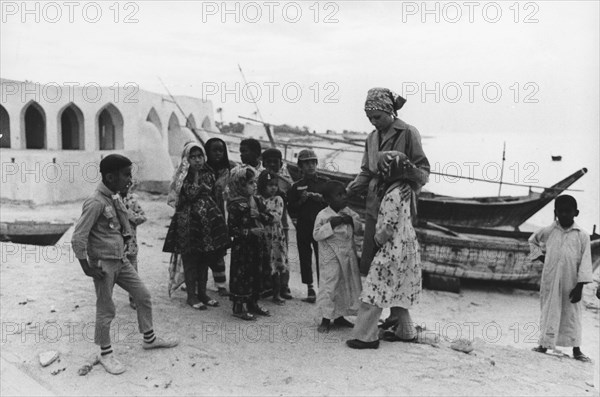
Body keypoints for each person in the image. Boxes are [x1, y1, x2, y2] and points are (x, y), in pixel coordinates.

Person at [71, 154, 178, 375]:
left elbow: (122, 220)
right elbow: (78, 237)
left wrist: (127, 238)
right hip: (103, 265)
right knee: (106, 308)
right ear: (110, 177)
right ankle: (105, 353)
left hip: (120, 260)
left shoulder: (115, 197)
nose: (130, 179)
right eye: (126, 175)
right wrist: (87, 268)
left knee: (143, 295)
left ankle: (149, 338)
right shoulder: (95, 202)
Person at [347, 88, 430, 278]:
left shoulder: (408, 132)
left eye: (377, 117)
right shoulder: (371, 138)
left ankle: (393, 305)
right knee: (371, 258)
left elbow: (424, 172)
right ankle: (371, 304)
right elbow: (367, 172)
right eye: (370, 118)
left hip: (398, 205)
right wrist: (348, 191)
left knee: (394, 259)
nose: (373, 123)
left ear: (389, 111)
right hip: (374, 203)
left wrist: (410, 185)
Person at [347, 154, 424, 350]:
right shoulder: (406, 193)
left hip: (392, 249)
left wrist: (375, 241)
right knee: (399, 290)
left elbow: (387, 229)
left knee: (374, 290)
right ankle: (406, 332)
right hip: (408, 247)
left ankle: (366, 337)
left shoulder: (391, 196)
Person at [163, 142, 230, 311]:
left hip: (206, 222)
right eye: (193, 157)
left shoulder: (208, 173)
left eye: (200, 156)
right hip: (188, 223)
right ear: (187, 159)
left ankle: (202, 293)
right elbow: (191, 194)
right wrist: (198, 183)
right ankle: (191, 296)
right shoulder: (182, 176)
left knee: (205, 258)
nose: (197, 160)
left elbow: (210, 192)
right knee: (191, 259)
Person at [529, 195, 593, 362]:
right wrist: (542, 258)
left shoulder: (582, 236)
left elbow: (586, 262)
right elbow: (532, 241)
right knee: (549, 311)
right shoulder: (549, 231)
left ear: (576, 213)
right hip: (551, 279)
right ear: (555, 213)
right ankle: (544, 345)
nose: (564, 215)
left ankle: (576, 349)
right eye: (560, 212)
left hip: (572, 282)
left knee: (572, 314)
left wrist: (580, 287)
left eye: (568, 212)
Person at [313, 180, 362, 333]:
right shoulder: (323, 215)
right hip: (331, 257)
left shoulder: (348, 212)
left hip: (347, 256)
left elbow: (359, 226)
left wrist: (351, 221)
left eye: (344, 194)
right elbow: (316, 235)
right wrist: (331, 225)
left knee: (345, 285)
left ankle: (340, 315)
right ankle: (326, 318)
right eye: (338, 195)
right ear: (328, 200)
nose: (343, 197)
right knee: (330, 286)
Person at [228, 166, 274, 320]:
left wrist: (259, 215)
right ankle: (238, 307)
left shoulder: (257, 200)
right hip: (242, 248)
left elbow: (270, 218)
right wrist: (249, 232)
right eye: (249, 183)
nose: (254, 185)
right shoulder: (235, 205)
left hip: (258, 245)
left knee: (256, 273)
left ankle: (253, 303)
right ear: (239, 184)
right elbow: (232, 230)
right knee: (242, 275)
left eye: (254, 182)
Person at [287, 149, 329, 303]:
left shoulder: (325, 183)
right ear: (300, 166)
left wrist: (323, 200)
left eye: (313, 162)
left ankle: (323, 290)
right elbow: (291, 208)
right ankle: (310, 289)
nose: (310, 166)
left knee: (322, 258)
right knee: (305, 257)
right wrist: (301, 201)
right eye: (306, 163)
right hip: (304, 226)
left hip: (321, 227)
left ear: (317, 164)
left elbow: (335, 203)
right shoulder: (297, 186)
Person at [205, 137, 235, 297]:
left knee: (218, 249)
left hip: (220, 215)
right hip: (204, 215)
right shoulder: (202, 170)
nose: (218, 153)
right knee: (202, 249)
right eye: (214, 150)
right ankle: (197, 282)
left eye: (221, 150)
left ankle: (220, 284)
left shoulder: (227, 171)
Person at [262, 148, 293, 299]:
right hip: (266, 227)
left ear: (281, 163)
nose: (272, 164)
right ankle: (268, 285)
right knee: (268, 255)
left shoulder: (285, 178)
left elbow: (291, 194)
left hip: (281, 224)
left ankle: (284, 286)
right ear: (263, 163)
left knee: (282, 254)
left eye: (276, 162)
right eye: (269, 162)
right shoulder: (263, 177)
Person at [258, 170, 289, 305]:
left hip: (275, 238)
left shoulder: (278, 199)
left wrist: (262, 215)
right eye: (270, 185)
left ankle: (277, 293)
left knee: (276, 265)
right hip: (262, 236)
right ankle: (261, 289)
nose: (273, 188)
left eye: (275, 185)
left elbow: (276, 216)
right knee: (262, 264)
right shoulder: (258, 198)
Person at [119, 183, 147, 310]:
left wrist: (129, 214)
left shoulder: (133, 200)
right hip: (114, 244)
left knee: (133, 273)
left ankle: (134, 297)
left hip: (131, 244)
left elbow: (143, 217)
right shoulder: (110, 199)